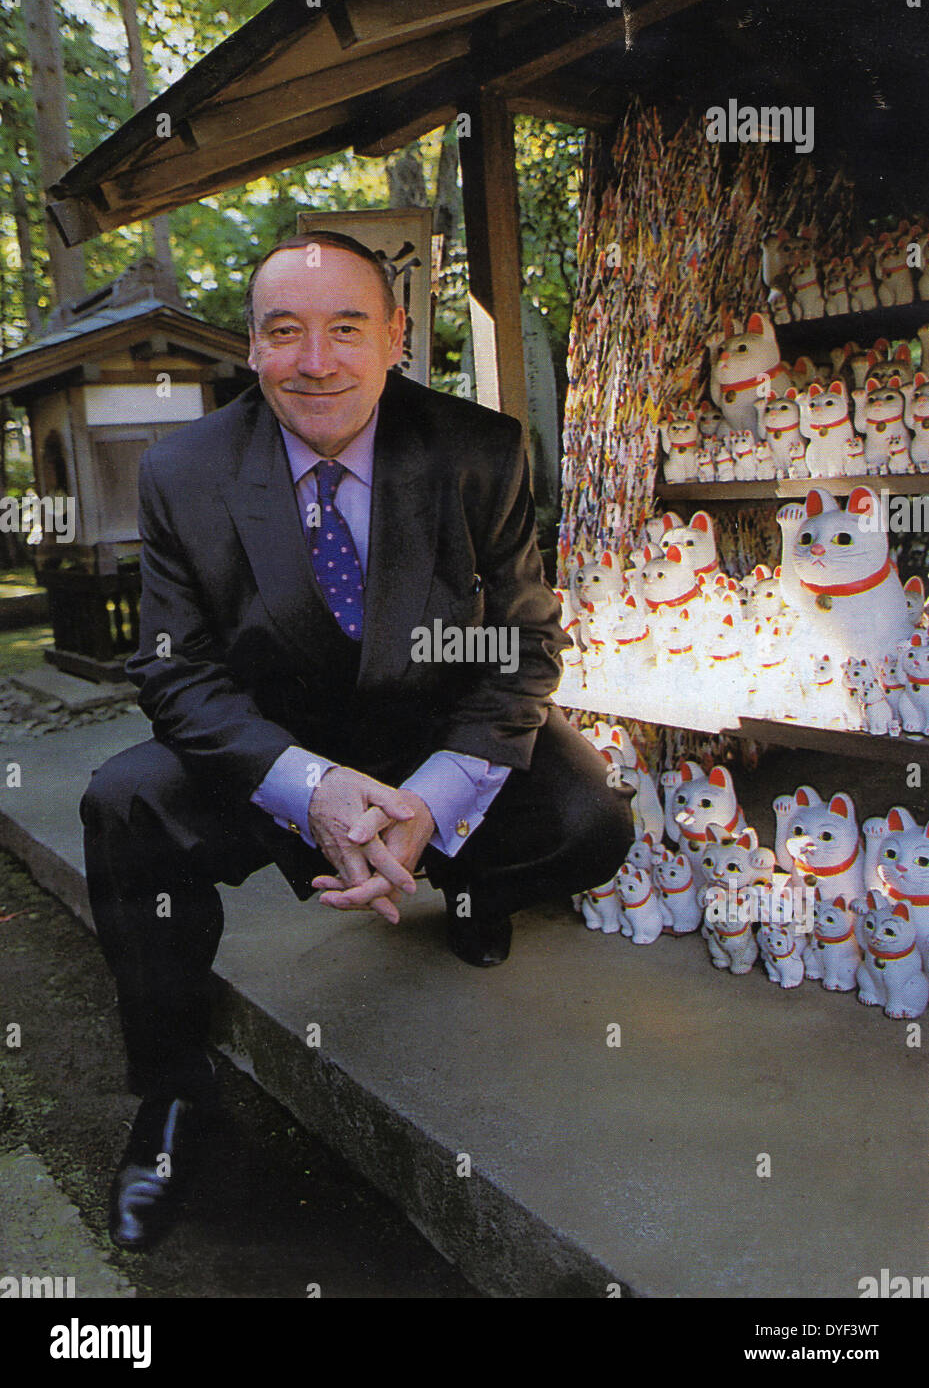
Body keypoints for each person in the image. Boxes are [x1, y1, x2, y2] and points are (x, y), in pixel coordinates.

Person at [80, 231, 632, 1251]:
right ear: (251, 348)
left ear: (395, 337)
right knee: (123, 804)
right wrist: (313, 788)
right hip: (270, 748)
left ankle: (473, 882)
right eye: (284, 331)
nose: (316, 360)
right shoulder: (183, 472)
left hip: (430, 731)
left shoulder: (479, 450)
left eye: (345, 328)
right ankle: (171, 1101)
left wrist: (425, 801)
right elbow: (172, 666)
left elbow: (518, 648)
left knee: (586, 814)